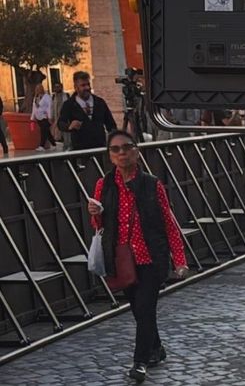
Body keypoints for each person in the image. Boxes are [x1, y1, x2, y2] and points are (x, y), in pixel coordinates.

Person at [87, 130, 188, 383]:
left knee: (144, 308)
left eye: (127, 147)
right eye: (116, 149)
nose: (122, 153)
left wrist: (180, 260)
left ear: (137, 151)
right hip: (120, 258)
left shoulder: (152, 184)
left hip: (150, 257)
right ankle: (156, 348)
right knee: (139, 310)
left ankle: (139, 362)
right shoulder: (103, 184)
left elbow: (168, 222)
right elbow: (99, 225)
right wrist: (95, 213)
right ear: (110, 156)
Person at [56, 71, 118, 151]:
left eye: (88, 84)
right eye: (83, 85)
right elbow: (60, 123)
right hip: (80, 148)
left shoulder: (99, 102)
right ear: (76, 87)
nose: (87, 88)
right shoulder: (69, 104)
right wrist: (69, 126)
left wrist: (114, 139)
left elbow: (110, 123)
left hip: (99, 147)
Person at [31, 82, 55, 151]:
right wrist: (33, 117)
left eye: (39, 88)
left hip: (45, 117)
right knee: (47, 132)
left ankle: (42, 146)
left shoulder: (47, 97)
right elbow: (34, 107)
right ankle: (53, 144)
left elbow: (49, 107)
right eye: (37, 89)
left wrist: (50, 117)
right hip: (38, 117)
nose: (38, 90)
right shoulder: (36, 97)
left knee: (43, 131)